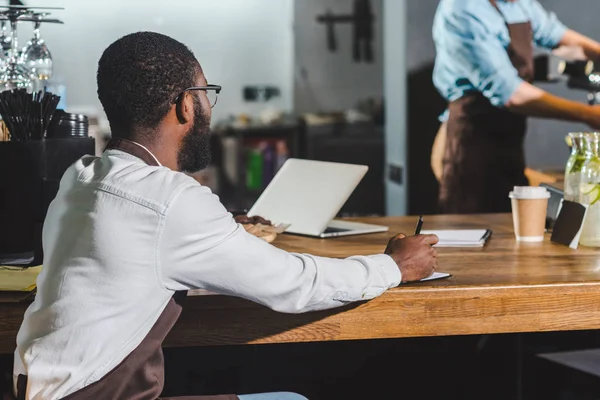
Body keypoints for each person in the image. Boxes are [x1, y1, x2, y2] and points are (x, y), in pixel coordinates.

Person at [11, 32, 439, 400]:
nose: (209, 110)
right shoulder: (170, 198)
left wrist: (218, 231)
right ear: (184, 105)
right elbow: (296, 286)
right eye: (205, 94)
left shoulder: (82, 177)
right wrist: (393, 265)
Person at [431, 0, 600, 213]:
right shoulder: (462, 8)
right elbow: (510, 93)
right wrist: (589, 114)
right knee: (474, 225)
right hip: (472, 137)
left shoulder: (517, 3)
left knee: (510, 223)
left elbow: (557, 37)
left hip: (509, 136)